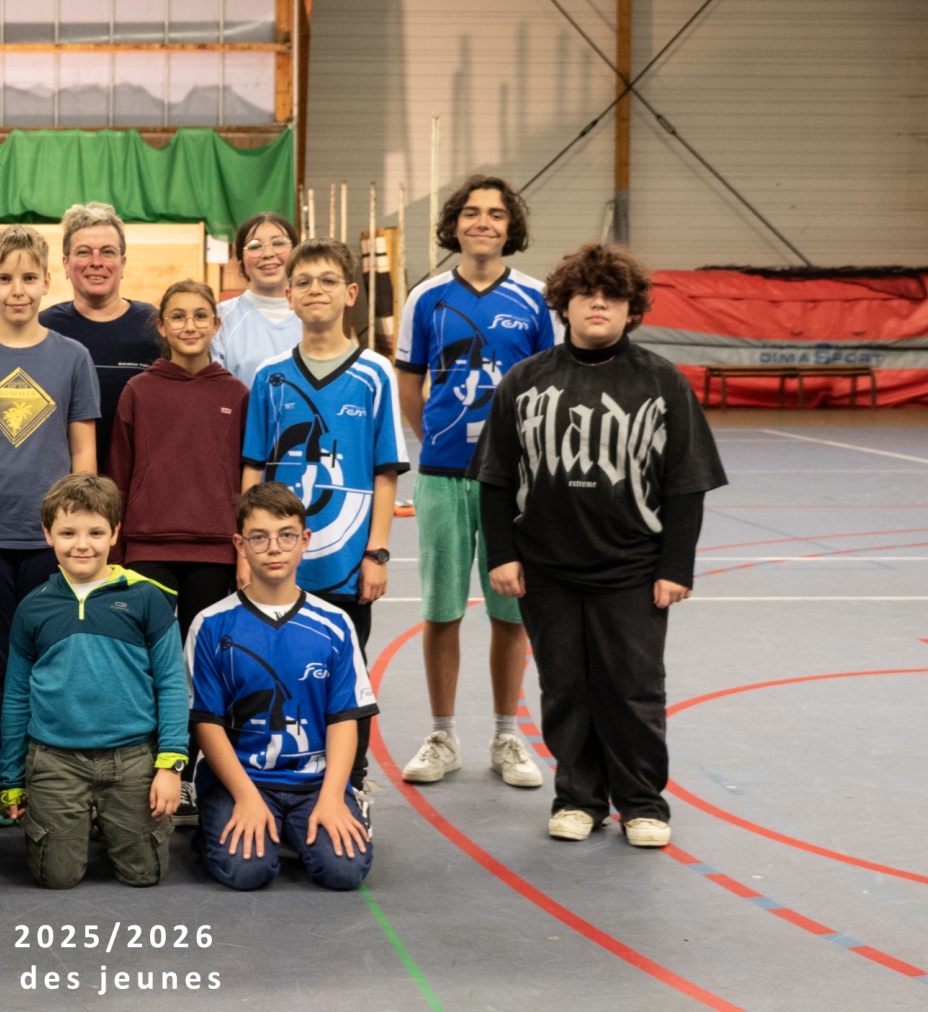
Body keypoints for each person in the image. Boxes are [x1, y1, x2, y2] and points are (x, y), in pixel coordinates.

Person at [473, 243, 724, 849]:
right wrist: (502, 554)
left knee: (634, 690)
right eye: (586, 294)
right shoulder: (525, 381)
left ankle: (642, 803)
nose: (598, 305)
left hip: (633, 570)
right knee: (565, 688)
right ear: (564, 303)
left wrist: (675, 566)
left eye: (612, 297)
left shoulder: (662, 382)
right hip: (547, 570)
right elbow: (496, 479)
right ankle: (578, 798)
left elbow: (686, 484)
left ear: (632, 309)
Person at [393, 175, 558, 791]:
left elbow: (551, 385)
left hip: (516, 483)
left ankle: (506, 734)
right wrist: (435, 439)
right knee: (441, 610)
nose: (482, 222)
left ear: (511, 227)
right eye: (471, 212)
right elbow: (409, 381)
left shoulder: (538, 300)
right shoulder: (427, 297)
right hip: (444, 476)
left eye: (495, 213)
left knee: (510, 611)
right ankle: (442, 734)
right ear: (454, 225)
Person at [0, 224, 101, 827]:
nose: (18, 290)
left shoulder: (71, 357)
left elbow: (83, 452)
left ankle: (48, 774)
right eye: (5, 279)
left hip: (49, 544)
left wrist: (79, 534)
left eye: (29, 278)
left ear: (46, 282)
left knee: (53, 661)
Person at [241, 237, 407, 790]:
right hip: (276, 559)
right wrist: (244, 550)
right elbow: (253, 468)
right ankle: (280, 778)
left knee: (343, 674)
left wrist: (377, 552)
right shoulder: (270, 376)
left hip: (345, 560)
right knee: (279, 668)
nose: (316, 290)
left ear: (351, 293)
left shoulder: (375, 372)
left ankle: (350, 783)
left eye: (328, 281)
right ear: (289, 295)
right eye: (305, 282)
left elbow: (384, 472)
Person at [0, 475, 188, 889]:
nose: (82, 545)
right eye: (68, 533)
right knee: (56, 878)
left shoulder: (146, 598)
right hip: (55, 759)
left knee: (144, 875)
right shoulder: (33, 608)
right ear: (48, 534)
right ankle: (80, 818)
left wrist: (170, 764)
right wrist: (11, 778)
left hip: (133, 758)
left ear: (115, 533)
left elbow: (172, 683)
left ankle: (109, 819)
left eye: (96, 533)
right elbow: (15, 697)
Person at [188, 483, 377, 891]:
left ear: (304, 540)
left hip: (314, 783)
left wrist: (333, 797)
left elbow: (344, 718)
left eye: (286, 535)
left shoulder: (335, 624)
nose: (274, 548)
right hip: (241, 780)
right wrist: (246, 797)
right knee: (246, 872)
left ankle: (302, 822)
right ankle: (220, 825)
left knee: (343, 871)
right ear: (240, 544)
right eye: (259, 537)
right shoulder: (211, 624)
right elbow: (206, 723)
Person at [109, 279, 248, 826]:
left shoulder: (236, 393)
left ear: (216, 324)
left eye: (200, 315)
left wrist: (240, 550)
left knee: (200, 668)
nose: (190, 325)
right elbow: (120, 474)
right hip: (146, 549)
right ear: (161, 326)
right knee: (144, 665)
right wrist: (118, 549)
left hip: (213, 555)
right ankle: (139, 769)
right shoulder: (139, 391)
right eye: (178, 316)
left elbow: (246, 476)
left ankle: (189, 772)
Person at [39, 203, 160, 472]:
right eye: (84, 252)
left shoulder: (155, 327)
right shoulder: (43, 329)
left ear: (123, 263)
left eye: (107, 252)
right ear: (65, 264)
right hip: (64, 487)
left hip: (138, 483)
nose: (96, 262)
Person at [212, 212, 301, 387]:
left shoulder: (316, 315)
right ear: (241, 264)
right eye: (254, 246)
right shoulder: (219, 319)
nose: (268, 253)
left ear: (296, 255)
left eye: (278, 243)